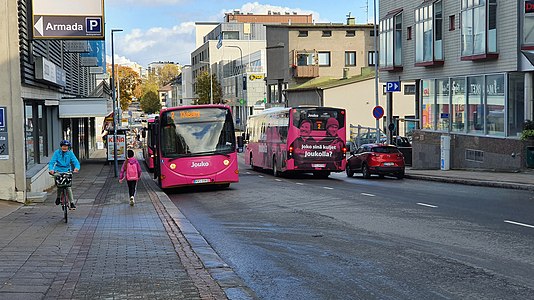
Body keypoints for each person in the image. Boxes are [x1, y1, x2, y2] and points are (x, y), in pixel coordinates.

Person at [48, 140, 80, 210]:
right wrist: (51, 169)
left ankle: (72, 203)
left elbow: (76, 162)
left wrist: (76, 168)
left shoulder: (70, 153)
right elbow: (52, 162)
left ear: (68, 147)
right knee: (59, 185)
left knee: (68, 186)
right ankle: (58, 197)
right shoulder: (57, 153)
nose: (64, 148)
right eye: (63, 146)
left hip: (67, 171)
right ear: (61, 146)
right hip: (58, 171)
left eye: (66, 146)